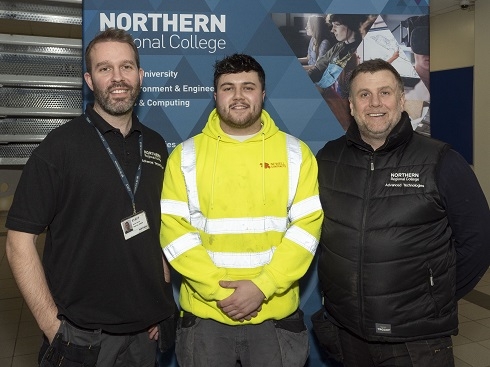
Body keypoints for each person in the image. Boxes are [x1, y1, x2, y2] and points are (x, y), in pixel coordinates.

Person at [5, 28, 177, 367]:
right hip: (81, 337)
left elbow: (159, 230)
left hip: (146, 333)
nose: (117, 77)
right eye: (104, 68)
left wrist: (159, 302)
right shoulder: (59, 148)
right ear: (89, 79)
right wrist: (51, 325)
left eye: (126, 67)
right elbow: (18, 243)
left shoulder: (156, 144)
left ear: (140, 75)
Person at [314, 58, 490, 366]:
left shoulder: (441, 160)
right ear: (352, 105)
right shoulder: (327, 159)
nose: (375, 103)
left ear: (401, 99)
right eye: (364, 95)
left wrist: (435, 298)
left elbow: (478, 241)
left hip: (415, 340)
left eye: (385, 92)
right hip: (346, 333)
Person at [160, 53, 323, 367]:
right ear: (215, 95)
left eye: (248, 87)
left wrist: (262, 287)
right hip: (206, 317)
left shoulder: (296, 153)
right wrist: (218, 292)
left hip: (273, 316)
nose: (237, 96)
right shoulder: (185, 155)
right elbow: (174, 232)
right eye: (227, 87)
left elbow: (307, 229)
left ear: (262, 94)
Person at [306, 14, 374, 130]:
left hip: (341, 103)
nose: (332, 30)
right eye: (332, 26)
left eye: (336, 25)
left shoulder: (360, 50)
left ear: (350, 25)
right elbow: (318, 68)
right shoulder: (337, 47)